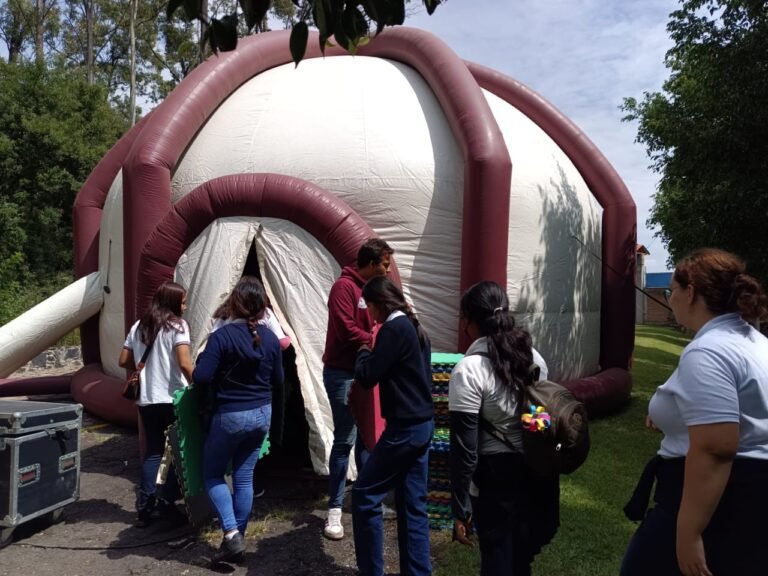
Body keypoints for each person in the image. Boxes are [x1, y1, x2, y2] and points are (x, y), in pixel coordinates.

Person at [622, 248, 768, 576]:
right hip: (749, 501)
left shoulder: (709, 351)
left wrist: (688, 533)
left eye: (672, 290)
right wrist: (672, 419)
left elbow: (716, 448)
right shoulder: (754, 343)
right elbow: (743, 413)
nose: (670, 299)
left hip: (715, 501)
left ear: (691, 293)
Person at [448, 280, 554, 576]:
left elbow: (465, 451)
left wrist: (460, 509)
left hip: (495, 480)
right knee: (521, 560)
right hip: (536, 472)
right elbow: (540, 421)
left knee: (496, 559)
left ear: (468, 320)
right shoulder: (535, 360)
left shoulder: (468, 371)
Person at [193, 276, 284, 564]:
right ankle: (237, 540)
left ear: (235, 302)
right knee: (244, 478)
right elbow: (279, 379)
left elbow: (202, 376)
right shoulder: (270, 338)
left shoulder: (222, 336)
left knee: (212, 474)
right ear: (262, 306)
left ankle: (232, 535)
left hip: (231, 414)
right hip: (262, 414)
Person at [352, 276, 434, 576]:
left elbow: (368, 375)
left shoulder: (393, 329)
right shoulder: (413, 326)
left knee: (364, 495)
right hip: (422, 425)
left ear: (377, 305)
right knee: (413, 506)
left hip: (404, 429)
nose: (368, 314)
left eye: (369, 307)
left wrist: (362, 351)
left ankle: (372, 570)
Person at [322, 237, 393, 540]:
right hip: (342, 374)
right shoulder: (344, 288)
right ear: (372, 262)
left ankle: (368, 500)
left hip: (365, 372)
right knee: (345, 439)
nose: (388, 271)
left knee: (368, 438)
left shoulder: (371, 290)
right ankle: (335, 510)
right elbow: (344, 327)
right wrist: (376, 340)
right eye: (385, 265)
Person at [119, 281, 194, 527]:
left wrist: (145, 366)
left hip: (146, 399)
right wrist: (198, 385)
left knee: (153, 452)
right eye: (182, 301)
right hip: (172, 397)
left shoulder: (139, 326)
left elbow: (123, 360)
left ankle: (145, 506)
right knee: (176, 453)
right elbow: (184, 362)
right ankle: (167, 503)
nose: (185, 305)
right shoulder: (178, 326)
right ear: (172, 302)